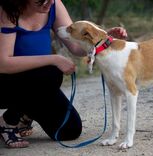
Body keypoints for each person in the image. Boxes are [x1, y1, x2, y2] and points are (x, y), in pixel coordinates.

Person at [0, 0, 127, 148]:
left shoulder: (54, 5)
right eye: (41, 1)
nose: (48, 4)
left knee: (69, 130)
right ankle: (8, 121)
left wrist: (100, 40)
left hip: (39, 85)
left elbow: (76, 47)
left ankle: (25, 113)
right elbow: (3, 64)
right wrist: (53, 59)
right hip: (8, 83)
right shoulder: (7, 11)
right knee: (51, 72)